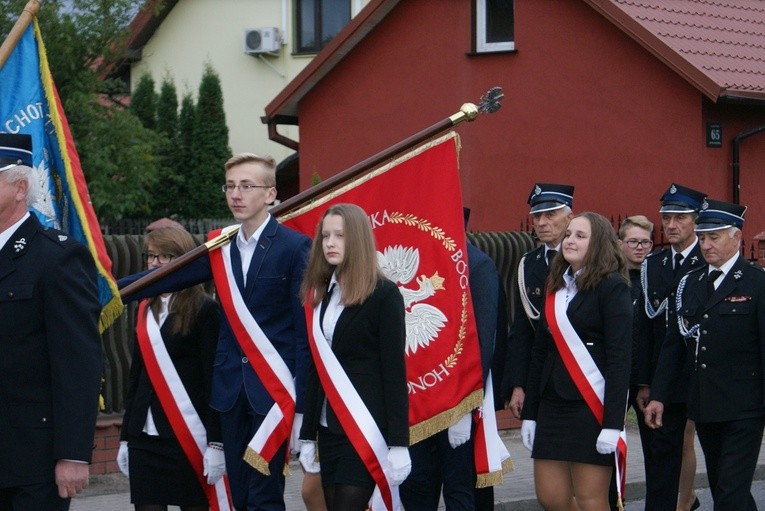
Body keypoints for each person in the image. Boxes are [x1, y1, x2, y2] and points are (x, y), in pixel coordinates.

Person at [120, 153, 311, 510]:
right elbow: (167, 276)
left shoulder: (295, 247)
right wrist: (108, 292)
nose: (236, 194)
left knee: (264, 497)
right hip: (228, 394)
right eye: (231, 186)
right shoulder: (220, 247)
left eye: (247, 186)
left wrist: (303, 407)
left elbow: (304, 334)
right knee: (238, 496)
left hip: (273, 394)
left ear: (270, 194)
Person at [0, 133, 103, 509]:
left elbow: (79, 361)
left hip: (31, 458)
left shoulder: (57, 257)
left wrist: (73, 453)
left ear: (20, 188)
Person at [645, 199, 764, 510]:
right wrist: (659, 395)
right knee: (723, 485)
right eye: (703, 237)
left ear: (737, 236)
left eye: (715, 237)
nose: (706, 245)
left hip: (745, 406)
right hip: (705, 404)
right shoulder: (691, 283)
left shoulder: (757, 283)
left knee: (729, 491)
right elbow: (674, 344)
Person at [298, 203, 410, 510]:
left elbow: (394, 372)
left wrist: (399, 442)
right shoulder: (321, 293)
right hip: (327, 427)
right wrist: (307, 433)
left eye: (340, 235)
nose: (330, 243)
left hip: (364, 427)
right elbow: (314, 369)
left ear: (358, 239)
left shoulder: (384, 295)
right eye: (325, 236)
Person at [520, 211, 632, 511]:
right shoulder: (556, 285)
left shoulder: (612, 287)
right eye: (568, 234)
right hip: (551, 405)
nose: (570, 240)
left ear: (599, 245)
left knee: (591, 500)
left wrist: (613, 423)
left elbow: (620, 359)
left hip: (589, 406)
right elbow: (539, 353)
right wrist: (530, 413)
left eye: (580, 236)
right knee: (551, 498)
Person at [399, 208, 504, 511]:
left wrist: (464, 406)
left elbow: (484, 340)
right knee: (416, 489)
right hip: (417, 398)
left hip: (459, 401)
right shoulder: (420, 260)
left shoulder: (477, 264)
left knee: (460, 494)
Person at [117, 226, 226, 511]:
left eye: (164, 257)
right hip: (144, 438)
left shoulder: (205, 310)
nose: (154, 263)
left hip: (186, 436)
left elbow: (214, 379)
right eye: (151, 256)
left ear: (183, 260)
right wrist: (126, 437)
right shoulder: (144, 307)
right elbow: (137, 375)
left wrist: (216, 443)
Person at [635, 184, 706, 511]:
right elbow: (648, 329)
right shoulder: (655, 264)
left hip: (703, 375)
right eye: (667, 217)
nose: (672, 224)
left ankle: (686, 500)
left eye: (680, 217)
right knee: (663, 453)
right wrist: (645, 382)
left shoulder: (708, 259)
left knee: (708, 453)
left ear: (697, 220)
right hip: (667, 379)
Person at [502, 183, 575, 418]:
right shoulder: (528, 264)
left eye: (550, 214)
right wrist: (518, 385)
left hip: (580, 374)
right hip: (540, 376)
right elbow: (522, 331)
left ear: (569, 217)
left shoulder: (587, 261)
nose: (542, 222)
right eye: (537, 216)